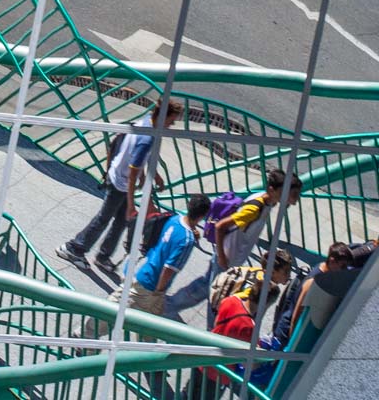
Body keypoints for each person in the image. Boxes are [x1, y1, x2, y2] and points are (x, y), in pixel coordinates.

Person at [56, 97, 183, 274]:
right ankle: (74, 248)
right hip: (120, 184)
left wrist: (154, 175)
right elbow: (132, 174)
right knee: (103, 219)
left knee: (122, 221)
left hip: (117, 175)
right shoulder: (147, 139)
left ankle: (103, 256)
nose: (171, 125)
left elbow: (134, 156)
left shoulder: (146, 122)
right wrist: (131, 204)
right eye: (171, 121)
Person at [166, 168, 302, 324]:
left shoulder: (265, 203)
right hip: (226, 259)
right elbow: (220, 227)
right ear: (272, 190)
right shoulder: (255, 208)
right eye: (292, 195)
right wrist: (223, 259)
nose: (295, 200)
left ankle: (168, 306)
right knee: (216, 300)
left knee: (206, 287)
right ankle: (211, 334)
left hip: (228, 257)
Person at [111, 194, 211, 319]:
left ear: (189, 206)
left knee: (147, 325)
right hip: (149, 285)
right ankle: (81, 333)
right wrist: (158, 292)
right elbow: (168, 269)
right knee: (112, 314)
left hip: (141, 268)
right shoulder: (187, 241)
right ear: (202, 216)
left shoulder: (174, 219)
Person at [184, 275, 278, 400]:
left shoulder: (231, 300)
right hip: (219, 374)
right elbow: (248, 363)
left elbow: (216, 322)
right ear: (265, 304)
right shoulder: (249, 328)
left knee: (187, 394)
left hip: (203, 360)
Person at [274, 242, 354, 345]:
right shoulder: (314, 281)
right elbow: (297, 312)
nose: (344, 270)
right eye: (342, 266)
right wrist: (292, 340)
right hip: (286, 332)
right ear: (332, 261)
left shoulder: (322, 269)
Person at [209, 247, 292, 319]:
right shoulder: (259, 290)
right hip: (225, 315)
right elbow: (233, 303)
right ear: (272, 272)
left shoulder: (259, 272)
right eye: (286, 271)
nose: (289, 275)